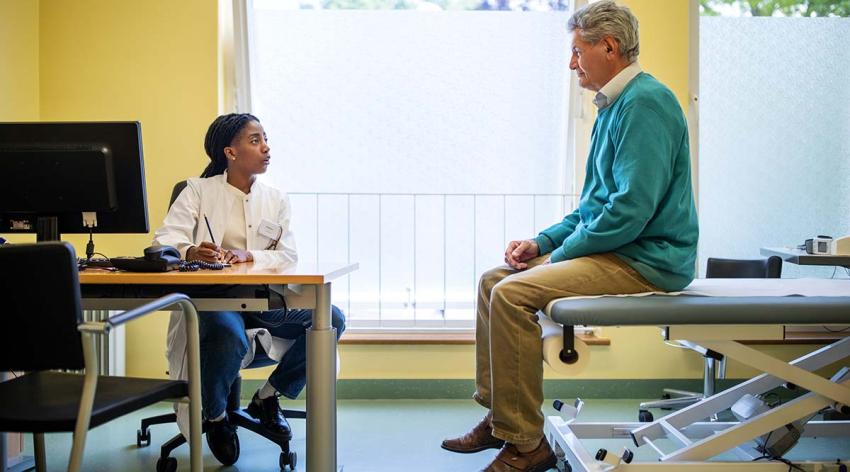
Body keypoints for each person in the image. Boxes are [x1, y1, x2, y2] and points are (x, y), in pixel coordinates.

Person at [440, 2, 699, 471]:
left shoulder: (647, 104)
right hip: (620, 248)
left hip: (648, 258)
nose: (571, 63)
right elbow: (593, 204)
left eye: (578, 51)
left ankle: (525, 444)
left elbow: (630, 212)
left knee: (511, 292)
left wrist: (559, 256)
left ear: (609, 47)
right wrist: (542, 243)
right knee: (490, 281)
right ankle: (503, 419)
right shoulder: (614, 106)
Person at [153, 113, 346, 465]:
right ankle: (216, 418)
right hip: (214, 302)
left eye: (265, 138)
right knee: (229, 337)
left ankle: (268, 396)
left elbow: (287, 255)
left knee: (331, 318)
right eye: (255, 140)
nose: (266, 147)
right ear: (230, 151)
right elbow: (165, 242)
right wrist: (191, 251)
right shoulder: (197, 190)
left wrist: (249, 255)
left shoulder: (275, 198)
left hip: (263, 300)